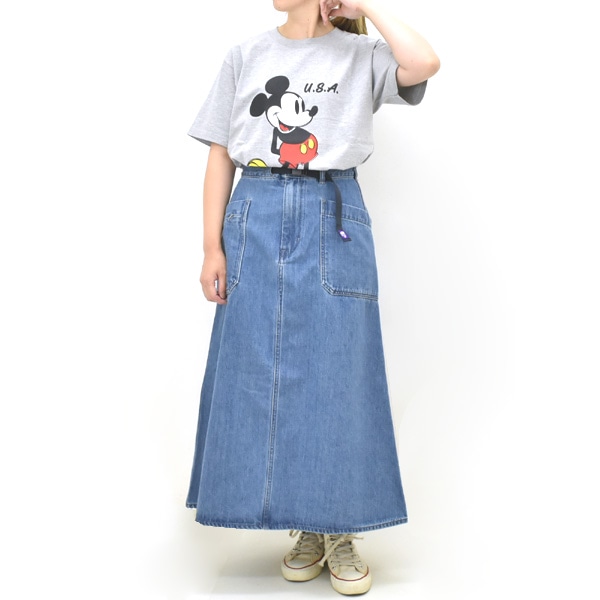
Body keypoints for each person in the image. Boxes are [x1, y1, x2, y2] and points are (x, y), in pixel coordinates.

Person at [186, 0, 439, 595]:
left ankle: (340, 528)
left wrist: (364, 5)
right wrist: (211, 247)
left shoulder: (361, 55)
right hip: (255, 209)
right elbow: (220, 153)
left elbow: (425, 62)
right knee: (256, 373)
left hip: (334, 213)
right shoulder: (246, 55)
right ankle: (305, 525)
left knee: (337, 376)